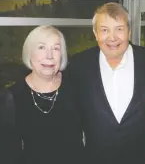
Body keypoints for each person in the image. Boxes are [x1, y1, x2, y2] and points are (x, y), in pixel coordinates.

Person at [69, 2, 145, 164]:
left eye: (119, 29)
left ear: (129, 31)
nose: (112, 38)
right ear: (95, 33)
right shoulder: (79, 65)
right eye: (104, 30)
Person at [0, 26, 84, 164]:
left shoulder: (76, 85)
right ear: (29, 53)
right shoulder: (13, 98)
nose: (49, 56)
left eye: (56, 48)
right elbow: (8, 154)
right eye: (41, 47)